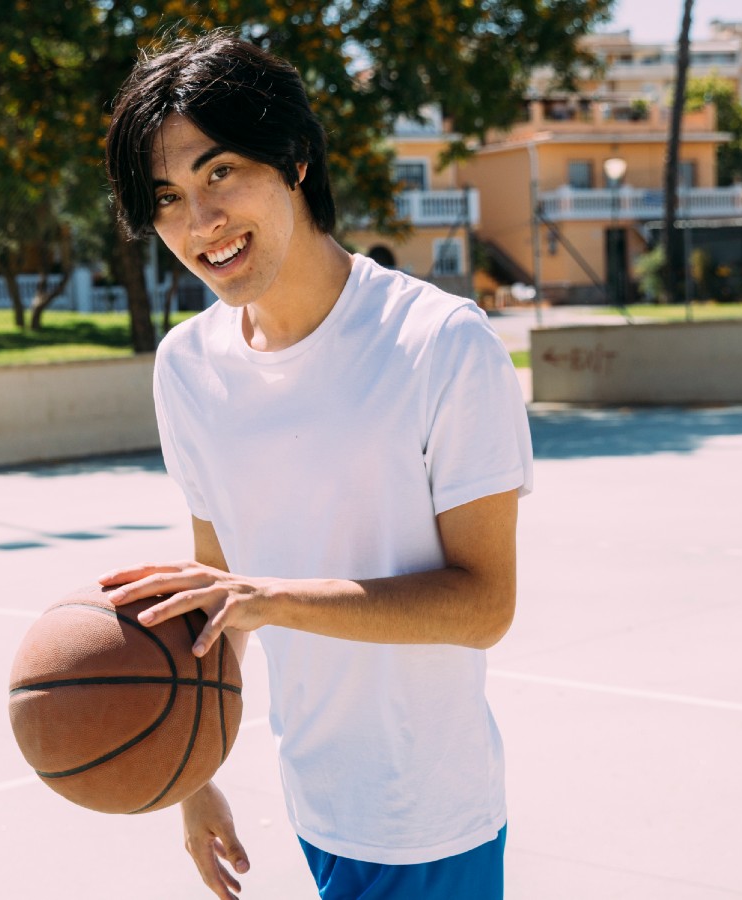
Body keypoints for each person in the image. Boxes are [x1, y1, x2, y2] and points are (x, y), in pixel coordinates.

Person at [99, 30, 533, 900]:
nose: (201, 221)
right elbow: (214, 596)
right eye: (169, 196)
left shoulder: (438, 342)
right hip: (315, 804)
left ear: (294, 159)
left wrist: (273, 599)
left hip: (427, 816)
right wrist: (190, 774)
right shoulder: (187, 367)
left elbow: (484, 604)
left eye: (220, 172)